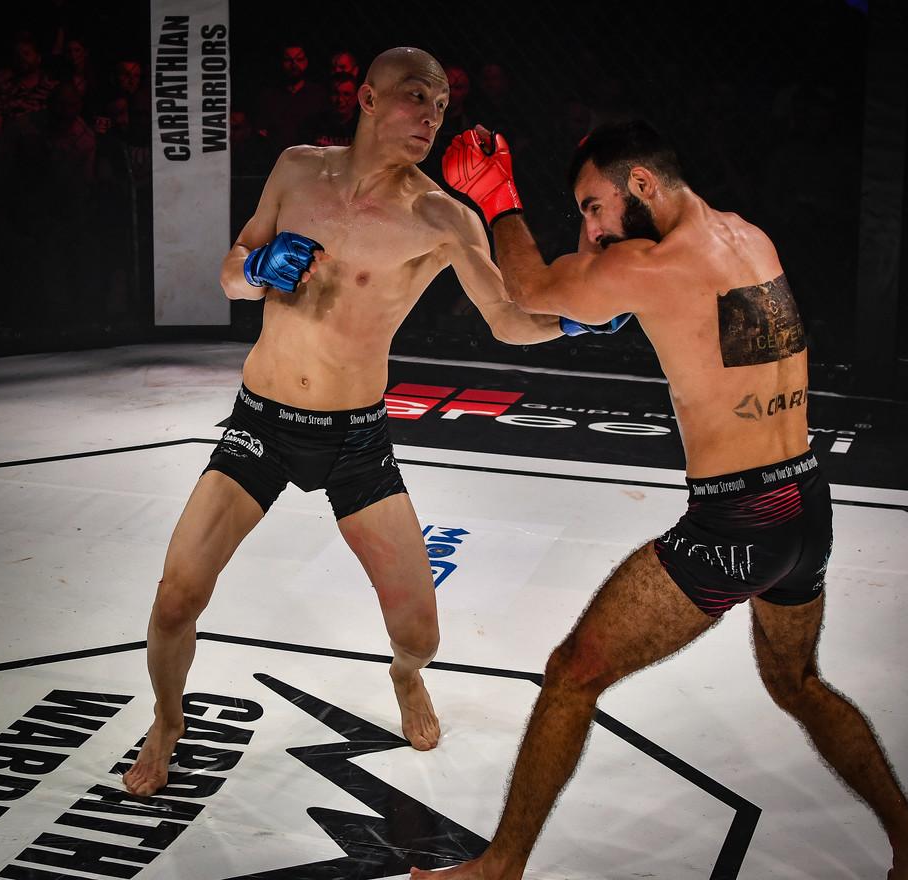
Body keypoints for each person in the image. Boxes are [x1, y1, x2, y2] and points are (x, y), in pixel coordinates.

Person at [411, 121, 908, 880]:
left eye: (594, 206)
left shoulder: (653, 263)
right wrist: (599, 260)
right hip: (806, 502)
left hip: (739, 521)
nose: (593, 228)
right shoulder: (748, 239)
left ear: (640, 185)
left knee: (572, 675)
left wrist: (498, 199)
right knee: (797, 683)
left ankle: (499, 868)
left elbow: (527, 289)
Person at [121, 47, 629, 799]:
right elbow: (231, 272)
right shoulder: (296, 169)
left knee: (421, 635)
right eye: (416, 97)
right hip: (261, 426)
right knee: (175, 598)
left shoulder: (443, 216)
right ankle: (167, 722)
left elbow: (507, 319)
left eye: (441, 107)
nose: (431, 117)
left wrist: (577, 323)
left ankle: (405, 677)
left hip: (355, 439)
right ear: (366, 98)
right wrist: (256, 270)